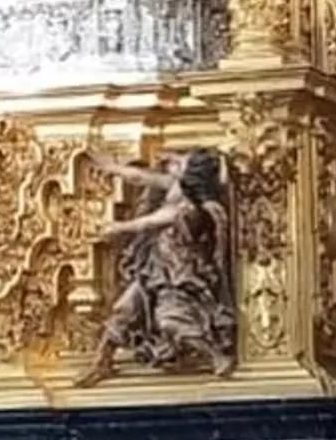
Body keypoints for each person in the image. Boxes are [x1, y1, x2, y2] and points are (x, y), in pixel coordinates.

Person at [74, 149, 236, 387]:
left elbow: (151, 221)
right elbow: (141, 178)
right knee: (123, 310)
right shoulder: (175, 186)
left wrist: (118, 227)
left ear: (193, 174)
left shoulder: (190, 209)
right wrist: (112, 168)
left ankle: (215, 355)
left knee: (171, 321)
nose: (175, 161)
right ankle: (102, 362)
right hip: (155, 268)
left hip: (177, 275)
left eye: (183, 161)